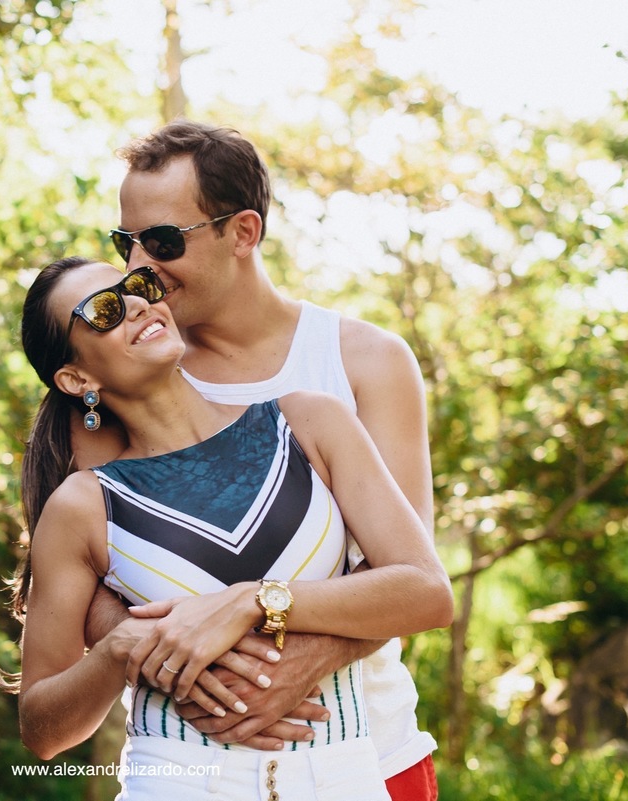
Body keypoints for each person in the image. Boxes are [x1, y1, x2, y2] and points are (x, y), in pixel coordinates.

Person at [72, 121, 444, 800]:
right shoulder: (127, 370)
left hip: (368, 751)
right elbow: (86, 574)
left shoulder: (366, 361)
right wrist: (198, 681)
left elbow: (407, 576)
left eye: (162, 242)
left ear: (243, 232)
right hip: (189, 767)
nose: (136, 266)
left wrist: (295, 664)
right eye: (124, 242)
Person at [11, 256, 452, 800]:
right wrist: (118, 650)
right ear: (77, 378)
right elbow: (42, 731)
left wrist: (256, 601)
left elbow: (428, 592)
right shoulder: (83, 506)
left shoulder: (310, 423)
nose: (138, 303)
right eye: (104, 309)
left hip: (342, 779)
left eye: (138, 286)